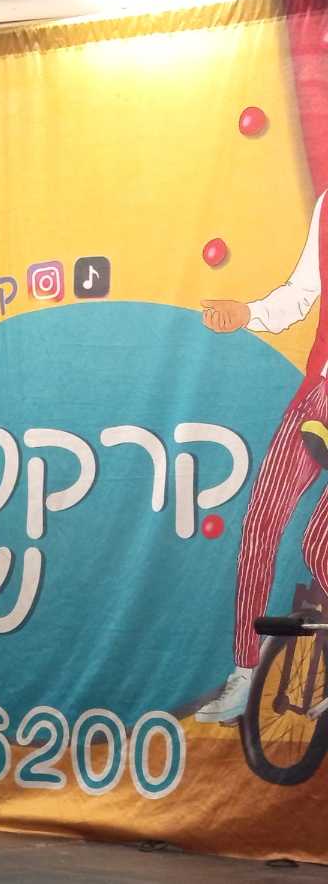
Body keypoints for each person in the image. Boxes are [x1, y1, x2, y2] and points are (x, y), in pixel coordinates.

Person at [199, 190, 328, 722]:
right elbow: (301, 294)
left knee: (318, 544)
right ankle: (246, 671)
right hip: (319, 394)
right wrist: (247, 313)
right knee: (260, 523)